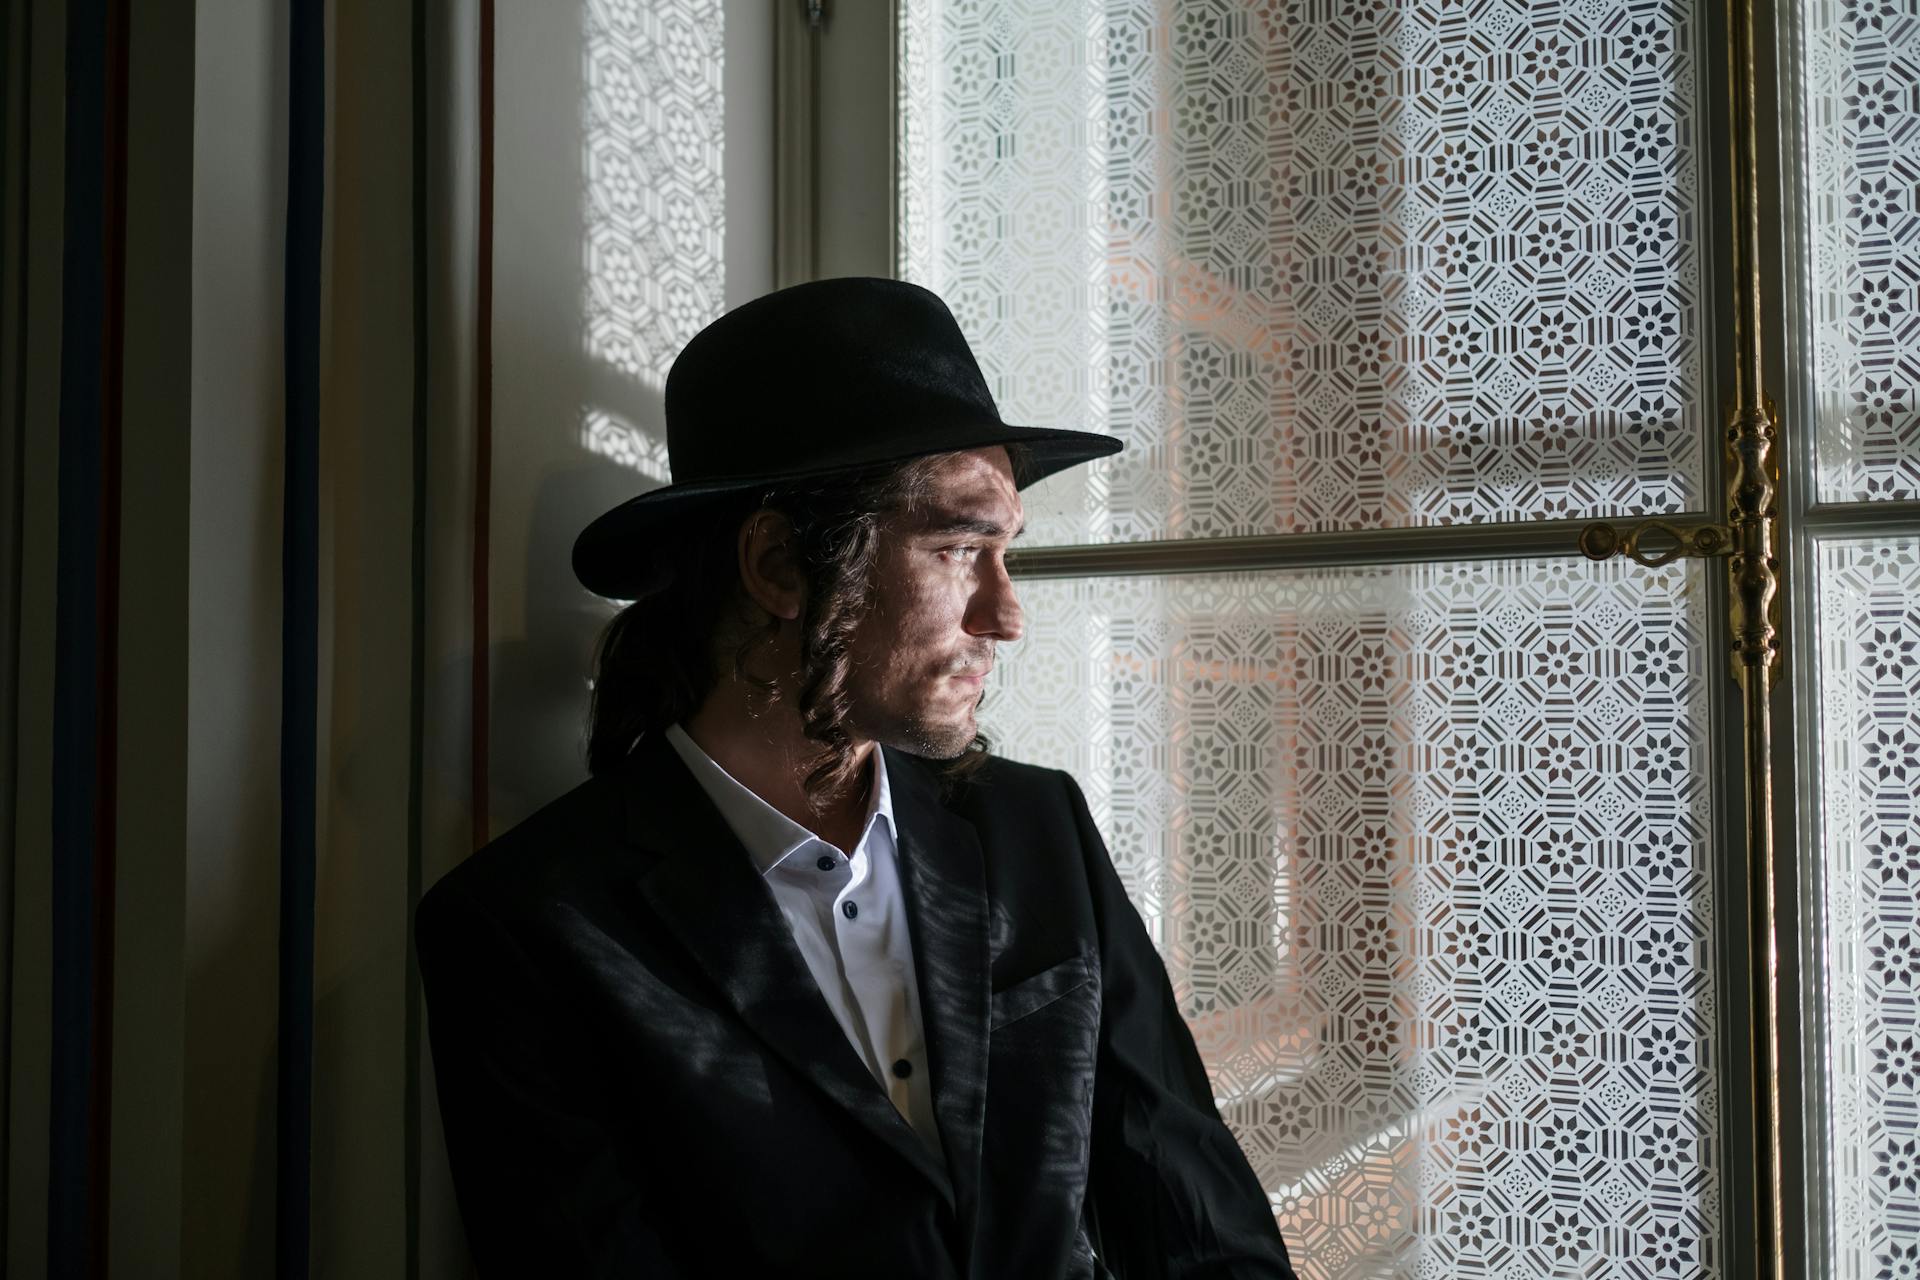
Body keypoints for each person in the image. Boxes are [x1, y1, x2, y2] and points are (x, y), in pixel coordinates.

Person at [416, 278, 1297, 1278]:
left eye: (1004, 554)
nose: (1006, 615)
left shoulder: (1035, 830)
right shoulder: (531, 923)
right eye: (961, 548)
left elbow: (1197, 1220)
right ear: (781, 566)